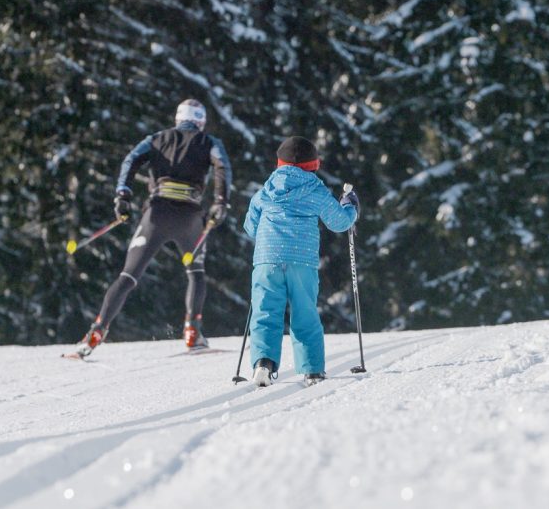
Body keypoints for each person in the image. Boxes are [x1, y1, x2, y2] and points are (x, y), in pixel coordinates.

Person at [70, 99, 232, 358]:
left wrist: (122, 196)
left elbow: (131, 160)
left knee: (128, 276)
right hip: (190, 217)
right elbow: (222, 167)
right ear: (200, 122)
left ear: (178, 119)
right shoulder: (210, 142)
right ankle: (193, 330)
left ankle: (96, 331)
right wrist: (221, 202)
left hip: (156, 215)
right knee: (196, 272)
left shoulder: (156, 138)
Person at [243, 136, 358, 387]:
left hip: (267, 260)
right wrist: (350, 206)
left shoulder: (265, 191)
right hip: (301, 261)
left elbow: (250, 227)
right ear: (313, 165)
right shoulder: (315, 190)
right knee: (304, 312)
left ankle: (263, 364)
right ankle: (312, 370)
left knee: (265, 312)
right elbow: (339, 222)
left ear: (279, 164)